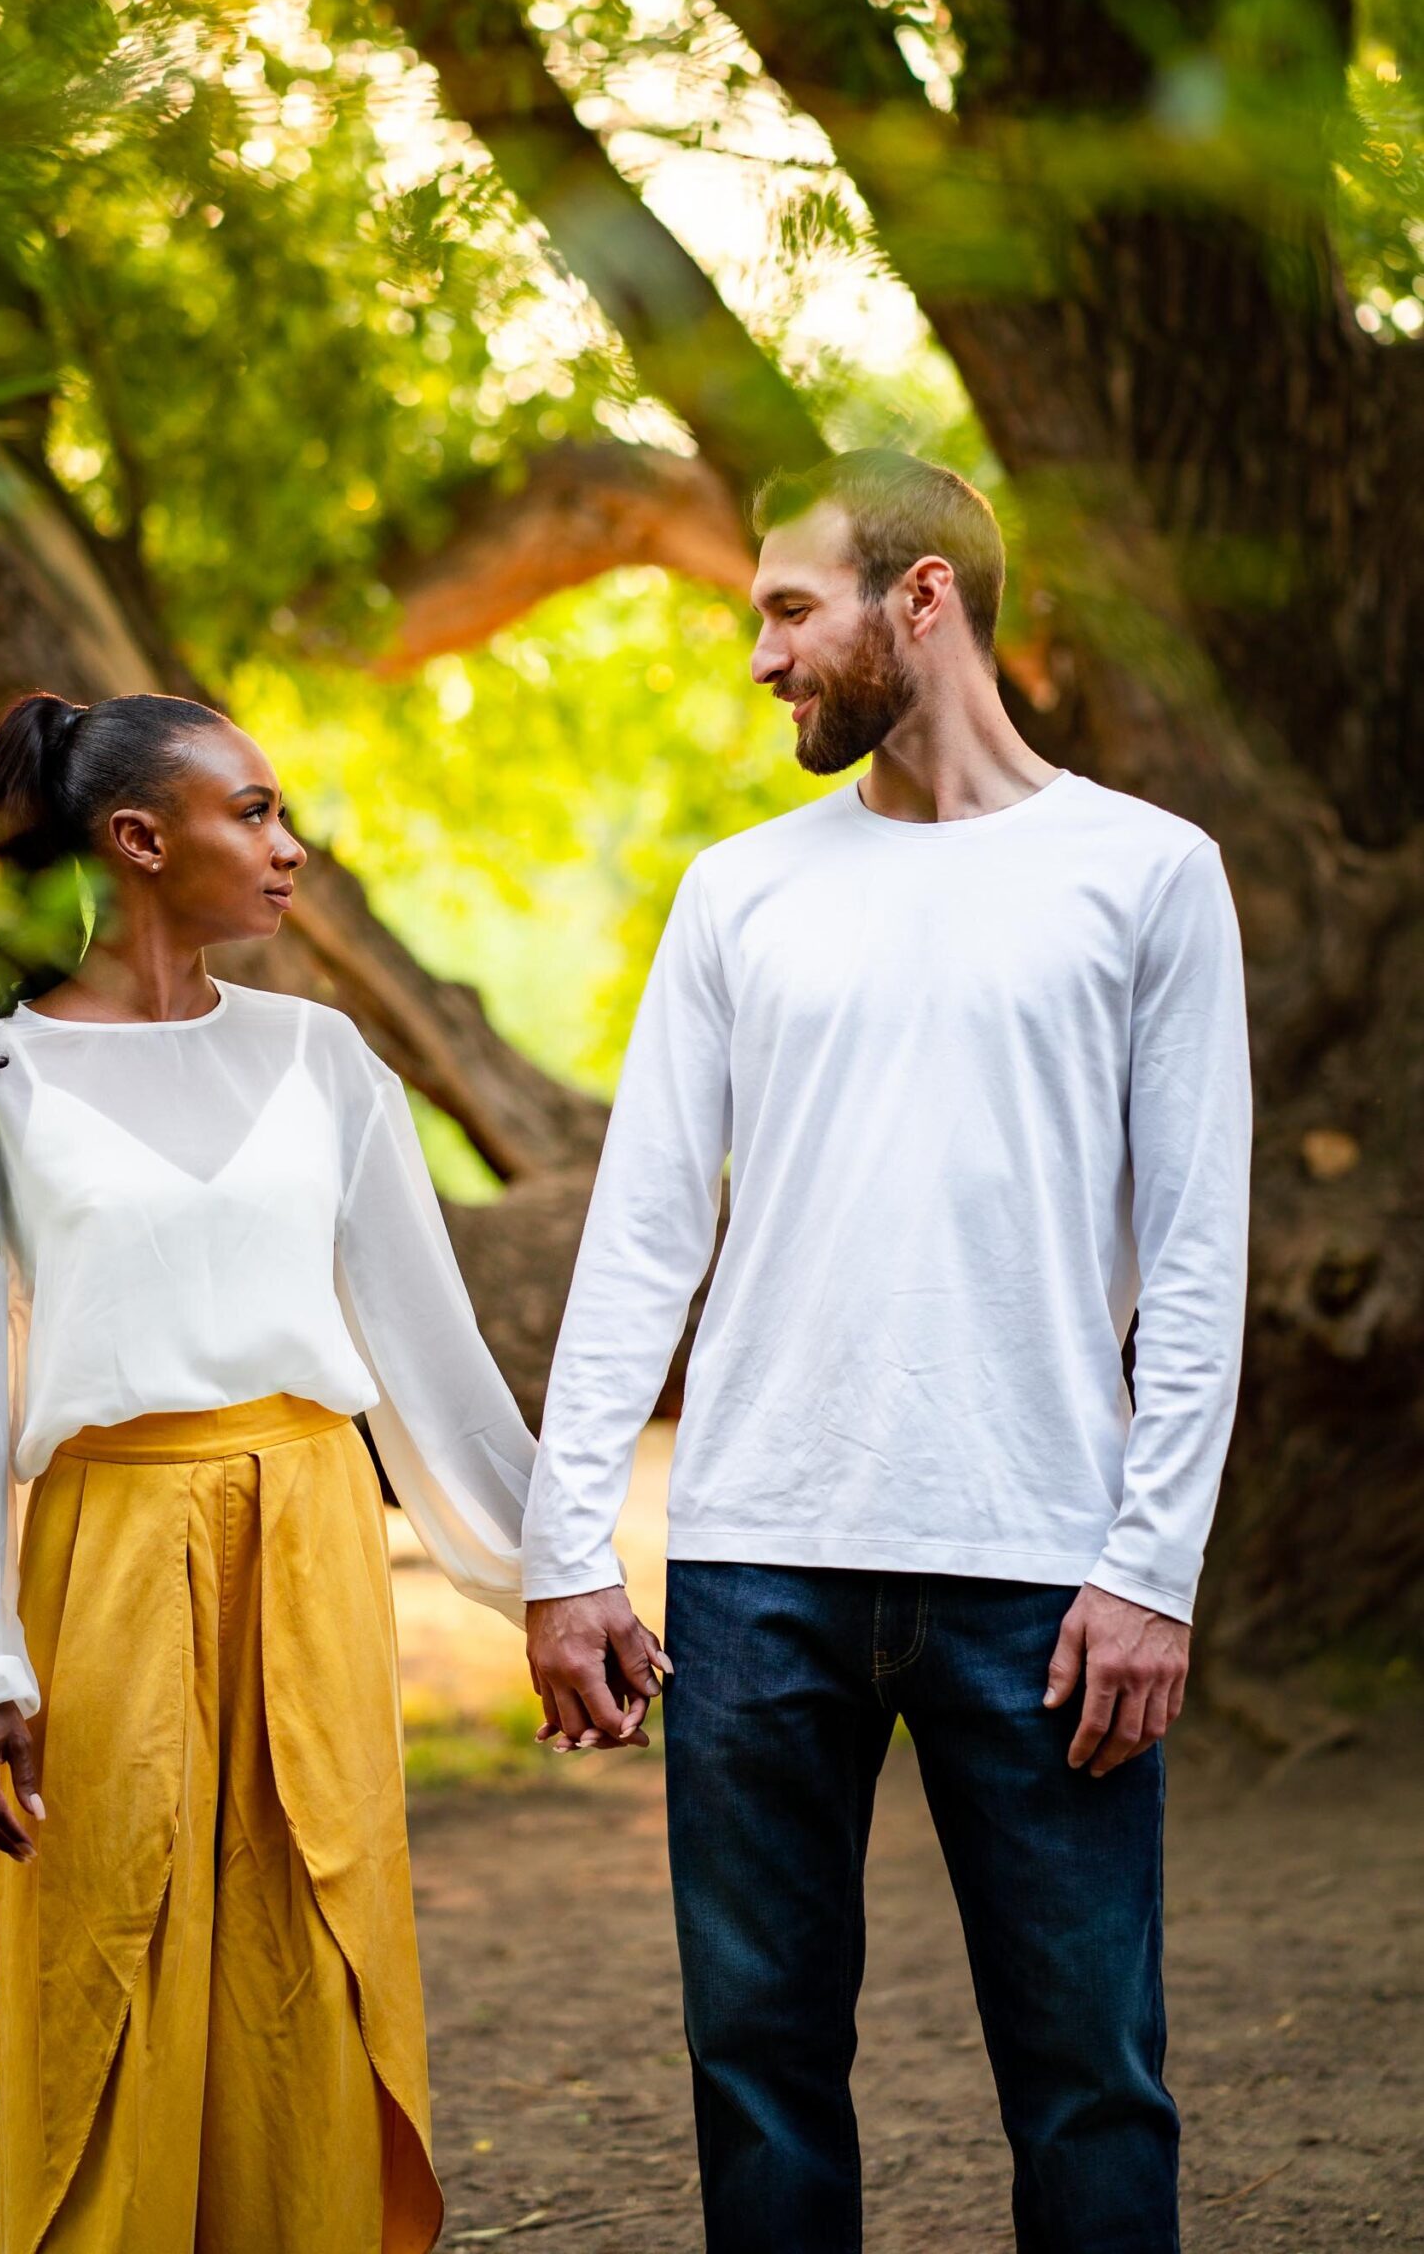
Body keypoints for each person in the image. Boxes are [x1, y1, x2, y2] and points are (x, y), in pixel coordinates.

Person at [523, 450, 1253, 2254]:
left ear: (919, 599)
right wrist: (565, 1551)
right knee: (756, 2065)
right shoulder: (740, 891)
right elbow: (639, 1237)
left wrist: (1151, 1572)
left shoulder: (1150, 875)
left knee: (1090, 2075)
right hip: (759, 1563)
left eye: (788, 608)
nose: (760, 657)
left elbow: (1199, 1254)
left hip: (1044, 1576)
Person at [0, 688, 536, 2254]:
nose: (292, 848)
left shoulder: (324, 1058)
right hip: (107, 1553)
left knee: (317, 1927)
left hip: (311, 1540)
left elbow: (433, 1355)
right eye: (258, 813)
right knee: (113, 1940)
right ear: (141, 840)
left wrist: (551, 1572)